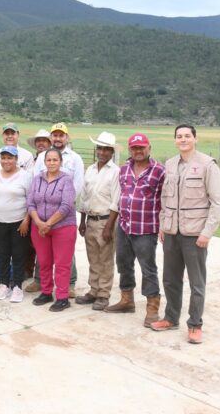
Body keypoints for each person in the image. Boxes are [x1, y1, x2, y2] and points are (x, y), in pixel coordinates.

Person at [151, 125, 220, 344]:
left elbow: (217, 202)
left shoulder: (207, 165)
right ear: (175, 140)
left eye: (187, 136)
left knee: (196, 283)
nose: (183, 140)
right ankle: (171, 318)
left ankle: (195, 324)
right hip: (172, 232)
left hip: (195, 233)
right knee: (170, 279)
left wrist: (207, 232)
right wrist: (163, 225)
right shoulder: (170, 164)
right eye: (179, 136)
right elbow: (165, 198)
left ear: (195, 139)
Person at [105, 133, 166, 328]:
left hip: (146, 228)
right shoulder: (124, 170)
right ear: (130, 149)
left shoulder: (159, 171)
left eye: (142, 147)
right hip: (125, 225)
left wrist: (164, 225)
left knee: (148, 268)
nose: (138, 151)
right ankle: (127, 300)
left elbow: (165, 200)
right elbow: (121, 195)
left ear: (149, 148)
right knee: (123, 264)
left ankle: (152, 308)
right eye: (134, 148)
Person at [32, 122, 84, 298]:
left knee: (65, 256)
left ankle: (69, 285)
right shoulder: (41, 157)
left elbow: (77, 185)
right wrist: (40, 219)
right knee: (43, 255)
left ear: (66, 137)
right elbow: (36, 182)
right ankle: (40, 282)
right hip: (42, 216)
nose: (58, 138)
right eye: (55, 135)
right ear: (51, 137)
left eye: (61, 135)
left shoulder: (75, 159)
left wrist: (63, 203)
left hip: (64, 215)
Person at [0, 123, 34, 287]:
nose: (9, 136)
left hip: (18, 213)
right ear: (2, 135)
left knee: (18, 249)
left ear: (18, 135)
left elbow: (30, 185)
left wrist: (27, 218)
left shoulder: (27, 155)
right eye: (6, 133)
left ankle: (15, 277)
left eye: (13, 133)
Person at [28, 149, 78, 312]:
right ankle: (46, 292)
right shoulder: (37, 179)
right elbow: (30, 203)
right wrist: (38, 222)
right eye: (48, 160)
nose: (51, 163)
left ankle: (62, 297)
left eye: (55, 160)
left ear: (61, 162)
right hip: (39, 228)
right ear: (44, 162)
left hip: (63, 227)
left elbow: (66, 205)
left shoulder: (66, 180)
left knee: (62, 264)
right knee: (44, 262)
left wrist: (48, 224)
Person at [75, 132, 120, 311]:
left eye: (106, 149)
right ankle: (93, 290)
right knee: (93, 258)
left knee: (106, 259)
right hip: (91, 219)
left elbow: (116, 201)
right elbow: (85, 197)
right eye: (99, 148)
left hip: (106, 220)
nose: (102, 152)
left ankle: (103, 294)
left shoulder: (115, 172)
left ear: (112, 152)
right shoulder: (91, 169)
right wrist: (83, 221)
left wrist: (109, 226)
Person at [23, 129, 51, 293]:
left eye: (44, 141)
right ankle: (29, 270)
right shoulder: (31, 160)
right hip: (30, 203)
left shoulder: (51, 161)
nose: (41, 143)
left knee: (44, 245)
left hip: (46, 207)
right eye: (38, 140)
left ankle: (44, 278)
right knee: (29, 241)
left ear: (49, 143)